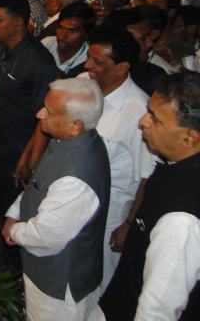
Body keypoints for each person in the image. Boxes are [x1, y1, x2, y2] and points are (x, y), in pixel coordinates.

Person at [94, 72, 200, 321]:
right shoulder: (175, 166)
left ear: (189, 138)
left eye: (155, 119)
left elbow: (158, 308)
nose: (142, 122)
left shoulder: (181, 217)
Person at [2, 78, 110, 321]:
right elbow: (38, 184)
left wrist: (14, 230)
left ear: (75, 125)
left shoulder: (77, 175)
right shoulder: (68, 141)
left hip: (59, 287)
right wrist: (14, 212)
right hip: (43, 271)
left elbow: (45, 236)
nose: (40, 114)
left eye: (49, 112)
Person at [0, 0, 56, 266]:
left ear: (19, 22)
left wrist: (28, 160)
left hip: (18, 152)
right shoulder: (1, 48)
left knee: (13, 214)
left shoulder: (39, 60)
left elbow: (45, 118)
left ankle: (8, 277)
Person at [78, 27, 157, 290]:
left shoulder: (138, 111)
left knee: (100, 284)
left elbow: (147, 178)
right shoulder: (84, 85)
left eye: (97, 61)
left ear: (122, 67)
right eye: (89, 56)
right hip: (73, 202)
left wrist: (128, 225)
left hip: (109, 214)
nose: (88, 64)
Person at [41, 2, 95, 76]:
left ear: (87, 34)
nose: (62, 36)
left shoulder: (90, 59)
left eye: (72, 31)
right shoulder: (46, 44)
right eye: (61, 28)